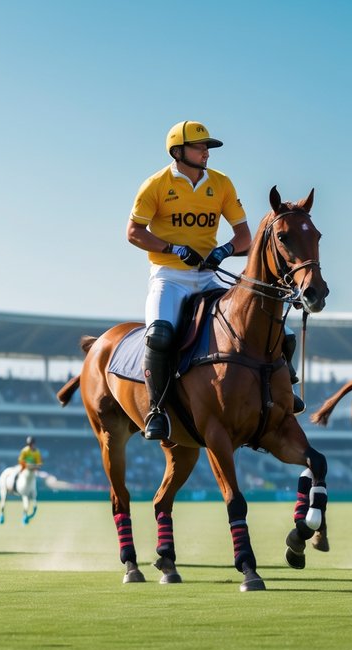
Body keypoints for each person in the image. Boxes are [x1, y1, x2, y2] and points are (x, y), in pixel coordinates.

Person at [125, 120, 256, 441]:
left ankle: (281, 389)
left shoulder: (222, 184)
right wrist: (172, 248)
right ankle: (156, 409)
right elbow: (133, 232)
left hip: (208, 277)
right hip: (169, 277)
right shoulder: (155, 185)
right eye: (200, 147)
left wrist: (223, 251)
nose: (206, 153)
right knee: (158, 335)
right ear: (178, 151)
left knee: (251, 323)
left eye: (207, 147)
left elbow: (245, 238)